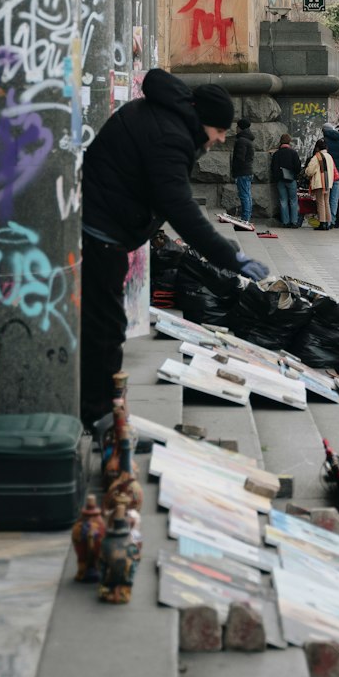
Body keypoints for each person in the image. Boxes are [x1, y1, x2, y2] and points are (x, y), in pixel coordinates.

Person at [80, 72, 267, 428]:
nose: (222, 138)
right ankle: (99, 414)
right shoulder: (170, 136)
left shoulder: (167, 118)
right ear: (205, 123)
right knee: (105, 327)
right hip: (101, 230)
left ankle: (101, 406)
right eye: (220, 130)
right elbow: (182, 210)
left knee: (104, 323)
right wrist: (231, 256)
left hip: (106, 225)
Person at [304, 137, 337, 229]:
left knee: (320, 203)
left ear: (317, 148)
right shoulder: (329, 156)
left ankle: (322, 222)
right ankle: (328, 222)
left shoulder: (316, 157)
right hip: (328, 183)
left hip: (319, 183)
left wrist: (306, 172)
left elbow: (310, 171)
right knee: (326, 202)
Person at [270, 132, 302, 228]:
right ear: (289, 141)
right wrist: (295, 174)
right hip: (291, 179)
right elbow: (298, 167)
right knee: (293, 200)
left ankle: (285, 222)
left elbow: (273, 167)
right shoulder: (293, 153)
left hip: (280, 180)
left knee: (283, 201)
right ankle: (294, 221)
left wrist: (277, 176)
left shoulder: (277, 154)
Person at [231, 117, 255, 223]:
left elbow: (240, 158)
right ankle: (247, 217)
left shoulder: (241, 141)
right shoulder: (248, 139)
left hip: (242, 172)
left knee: (244, 195)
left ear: (240, 128)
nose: (235, 129)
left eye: (237, 126)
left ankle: (245, 218)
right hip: (247, 171)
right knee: (247, 195)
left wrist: (234, 171)